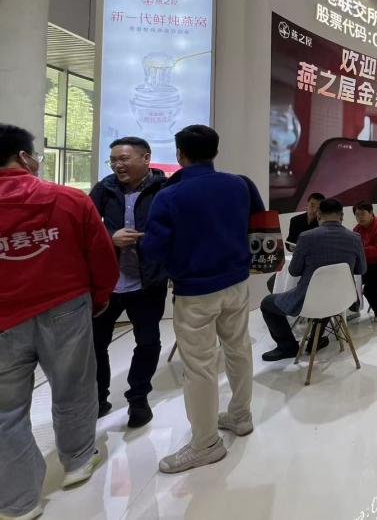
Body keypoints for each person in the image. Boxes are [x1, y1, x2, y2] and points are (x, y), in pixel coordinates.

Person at [0, 125, 119, 519]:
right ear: (24, 157)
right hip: (66, 307)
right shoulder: (69, 199)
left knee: (5, 411)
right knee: (74, 386)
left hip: (4, 319)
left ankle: (18, 501)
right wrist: (100, 297)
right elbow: (101, 255)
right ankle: (78, 460)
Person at [141, 125, 264, 474]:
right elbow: (257, 224)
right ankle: (241, 416)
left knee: (199, 366)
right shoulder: (240, 185)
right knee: (239, 349)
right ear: (215, 152)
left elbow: (153, 250)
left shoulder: (169, 195)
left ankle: (206, 443)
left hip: (195, 290)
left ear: (180, 154)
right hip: (237, 283)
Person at [89, 136, 168, 428]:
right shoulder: (104, 188)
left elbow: (176, 228)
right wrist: (111, 238)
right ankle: (98, 398)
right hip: (108, 284)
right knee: (96, 344)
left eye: (123, 159)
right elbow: (85, 226)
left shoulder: (164, 189)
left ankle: (138, 398)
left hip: (148, 283)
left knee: (148, 342)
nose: (117, 165)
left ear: (146, 158)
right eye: (113, 160)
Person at [259, 198, 367, 358]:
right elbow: (361, 269)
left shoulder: (306, 237)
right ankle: (315, 341)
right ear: (342, 216)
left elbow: (294, 271)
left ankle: (288, 347)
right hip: (342, 298)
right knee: (326, 295)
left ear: (319, 215)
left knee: (267, 303)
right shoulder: (355, 237)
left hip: (311, 301)